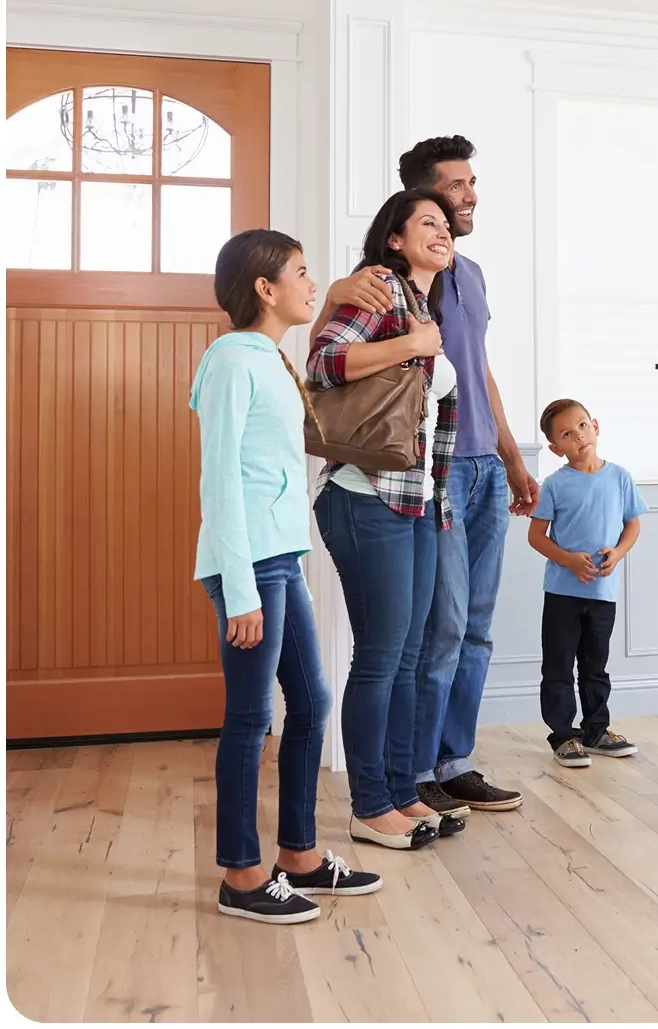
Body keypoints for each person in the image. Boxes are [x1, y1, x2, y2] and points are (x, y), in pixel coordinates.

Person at [310, 136, 536, 814]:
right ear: (416, 209)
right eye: (454, 190)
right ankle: (408, 775)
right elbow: (326, 356)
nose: (468, 197)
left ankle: (447, 760)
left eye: (470, 187)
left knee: (472, 628)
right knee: (427, 635)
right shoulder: (378, 285)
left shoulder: (466, 278)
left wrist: (513, 455)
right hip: (406, 478)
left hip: (467, 469)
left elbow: (477, 369)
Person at [191, 229, 382, 925]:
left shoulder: (270, 357)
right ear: (264, 289)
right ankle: (241, 875)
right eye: (302, 273)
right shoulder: (230, 361)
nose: (313, 283)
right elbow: (222, 483)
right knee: (250, 718)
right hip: (248, 568)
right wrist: (240, 589)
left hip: (281, 560)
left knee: (310, 704)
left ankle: (297, 855)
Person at [308, 189, 468, 848]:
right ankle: (369, 805)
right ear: (394, 240)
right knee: (381, 657)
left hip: (416, 502)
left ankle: (402, 794)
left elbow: (430, 422)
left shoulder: (424, 308)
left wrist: (442, 502)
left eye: (446, 224)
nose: (444, 230)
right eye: (426, 223)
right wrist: (412, 344)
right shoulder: (378, 288)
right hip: (363, 494)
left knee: (406, 656)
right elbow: (324, 363)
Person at [528, 399, 646, 766]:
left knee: (596, 665)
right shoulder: (554, 485)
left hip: (603, 592)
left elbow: (633, 524)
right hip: (562, 592)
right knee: (559, 665)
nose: (578, 436)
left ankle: (596, 730)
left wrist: (619, 552)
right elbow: (536, 536)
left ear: (595, 425)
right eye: (567, 433)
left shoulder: (620, 477)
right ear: (555, 447)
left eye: (582, 426)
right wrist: (568, 560)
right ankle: (564, 735)